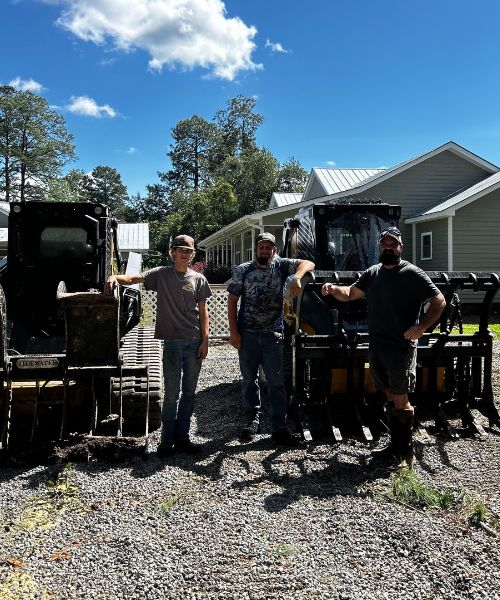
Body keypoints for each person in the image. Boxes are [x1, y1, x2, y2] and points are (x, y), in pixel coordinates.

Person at [321, 226, 445, 468]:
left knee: (400, 397)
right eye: (384, 243)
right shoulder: (373, 273)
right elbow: (351, 293)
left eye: (393, 243)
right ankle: (394, 447)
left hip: (401, 347)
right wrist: (334, 289)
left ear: (400, 247)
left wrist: (421, 327)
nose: (388, 246)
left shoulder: (412, 273)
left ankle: (406, 455)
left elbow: (439, 300)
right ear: (380, 247)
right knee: (388, 394)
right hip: (378, 345)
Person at [105, 234, 211, 457]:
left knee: (189, 392)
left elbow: (203, 312)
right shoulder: (161, 274)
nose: (184, 253)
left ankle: (183, 438)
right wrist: (115, 276)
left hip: (194, 342)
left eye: (188, 251)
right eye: (180, 250)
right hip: (172, 343)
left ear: (193, 255)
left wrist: (205, 341)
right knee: (171, 392)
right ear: (173, 253)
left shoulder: (199, 279)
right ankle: (166, 441)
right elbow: (135, 278)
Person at [227, 232, 315, 446]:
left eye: (269, 247)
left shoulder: (281, 265)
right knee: (249, 381)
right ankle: (251, 422)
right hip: (247, 334)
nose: (265, 251)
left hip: (272, 334)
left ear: (274, 250)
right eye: (261, 247)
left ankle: (279, 427)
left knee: (276, 383)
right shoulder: (243, 270)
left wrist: (296, 277)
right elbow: (231, 301)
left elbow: (308, 263)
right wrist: (234, 332)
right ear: (256, 249)